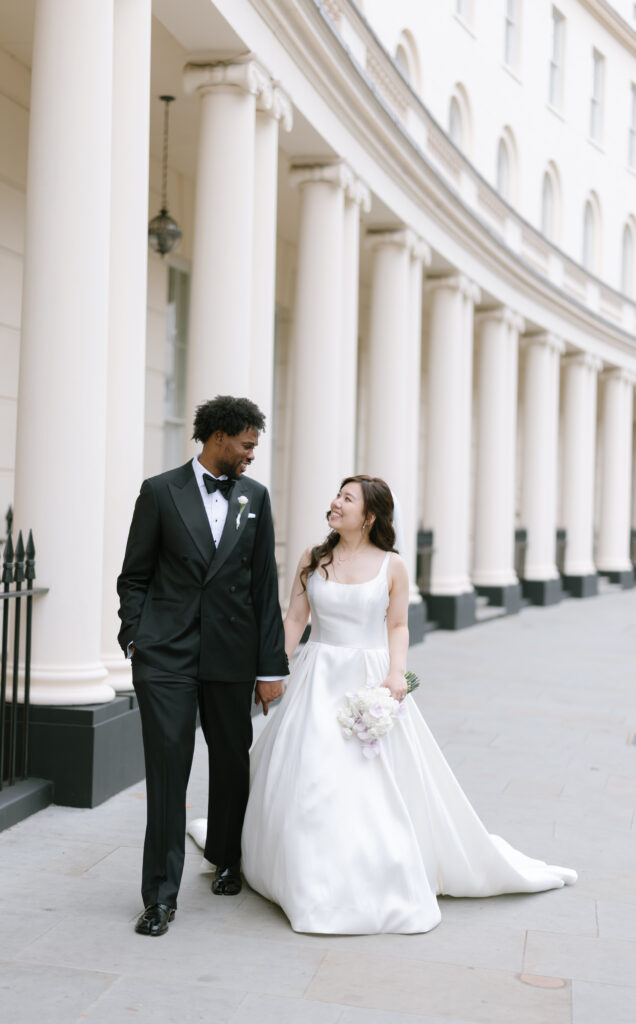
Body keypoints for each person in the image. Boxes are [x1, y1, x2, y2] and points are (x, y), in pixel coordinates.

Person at [235, 474, 576, 934]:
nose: (335, 503)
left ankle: (371, 868)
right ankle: (304, 871)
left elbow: (398, 624)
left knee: (368, 776)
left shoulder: (392, 565)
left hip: (368, 679)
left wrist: (396, 673)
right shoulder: (313, 559)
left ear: (369, 516)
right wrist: (276, 669)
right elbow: (296, 617)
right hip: (317, 676)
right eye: (337, 495)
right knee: (310, 772)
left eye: (347, 499)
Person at [117, 395, 288, 937]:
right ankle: (160, 896)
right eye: (246, 444)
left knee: (232, 761)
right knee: (168, 772)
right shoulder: (160, 491)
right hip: (165, 656)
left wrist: (270, 668)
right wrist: (135, 638)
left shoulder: (255, 497)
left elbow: (265, 589)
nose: (251, 454)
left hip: (232, 657)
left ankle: (227, 856)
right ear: (218, 438)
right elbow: (134, 576)